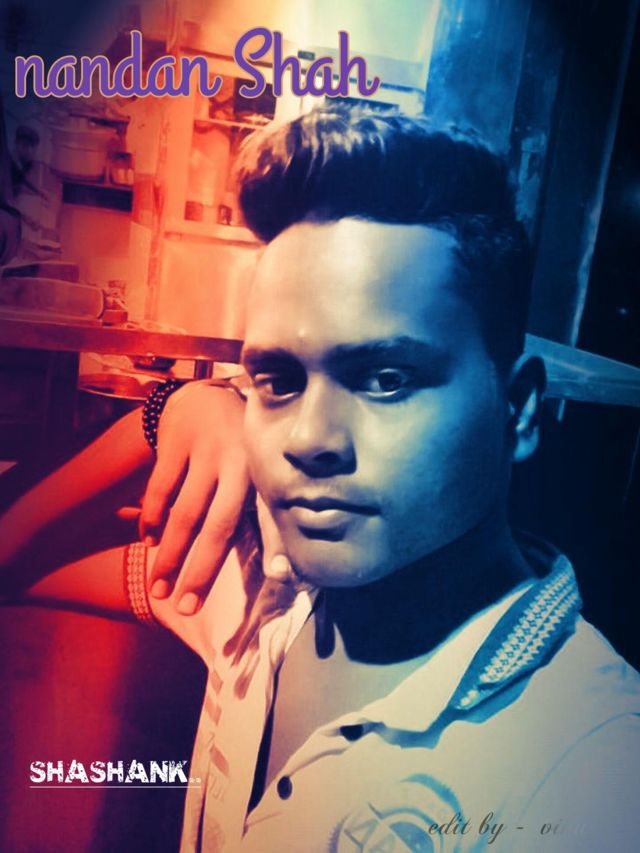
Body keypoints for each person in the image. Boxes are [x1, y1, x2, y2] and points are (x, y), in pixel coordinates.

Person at [2, 106, 639, 852]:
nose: (309, 438)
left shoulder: (591, 768)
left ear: (518, 409)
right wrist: (168, 410)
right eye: (277, 380)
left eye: (386, 378)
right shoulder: (260, 593)